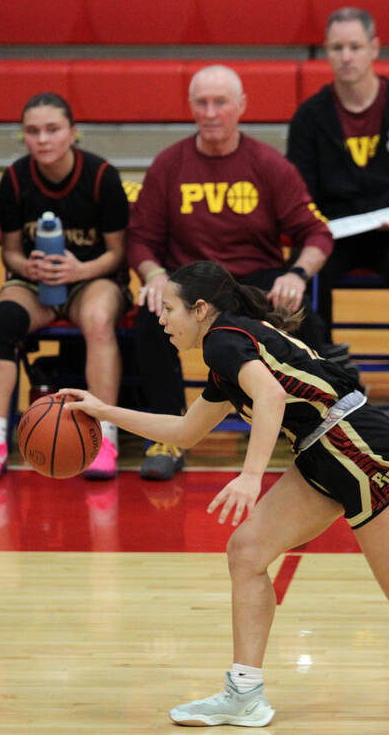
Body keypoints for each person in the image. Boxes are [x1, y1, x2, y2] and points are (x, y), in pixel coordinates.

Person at [61, 259, 389, 727]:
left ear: (200, 310)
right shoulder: (227, 347)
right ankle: (244, 693)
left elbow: (268, 397)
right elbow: (184, 432)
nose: (161, 318)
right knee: (246, 552)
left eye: (169, 309)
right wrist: (102, 410)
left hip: (356, 445)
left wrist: (249, 475)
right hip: (322, 449)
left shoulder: (225, 338)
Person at [126, 64, 338, 482]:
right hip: (193, 286)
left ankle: (315, 429)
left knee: (304, 318)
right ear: (190, 108)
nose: (210, 112)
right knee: (151, 318)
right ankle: (167, 436)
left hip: (253, 284)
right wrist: (152, 275)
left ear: (240, 106)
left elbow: (316, 232)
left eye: (220, 102)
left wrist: (296, 273)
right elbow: (140, 239)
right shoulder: (169, 165)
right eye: (201, 103)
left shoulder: (268, 164)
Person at [0, 93, 130, 481]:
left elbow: (117, 254)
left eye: (52, 130)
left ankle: (105, 439)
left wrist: (78, 269)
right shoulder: (13, 179)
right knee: (1, 319)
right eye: (33, 131)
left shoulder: (102, 177)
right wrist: (29, 265)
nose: (42, 139)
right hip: (34, 281)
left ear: (73, 133)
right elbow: (8, 252)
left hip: (94, 278)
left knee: (96, 319)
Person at [286, 7, 389, 401]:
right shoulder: (309, 118)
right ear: (326, 52)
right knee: (304, 273)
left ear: (374, 48)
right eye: (337, 47)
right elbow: (299, 194)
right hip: (334, 232)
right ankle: (326, 369)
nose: (346, 56)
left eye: (355, 46)